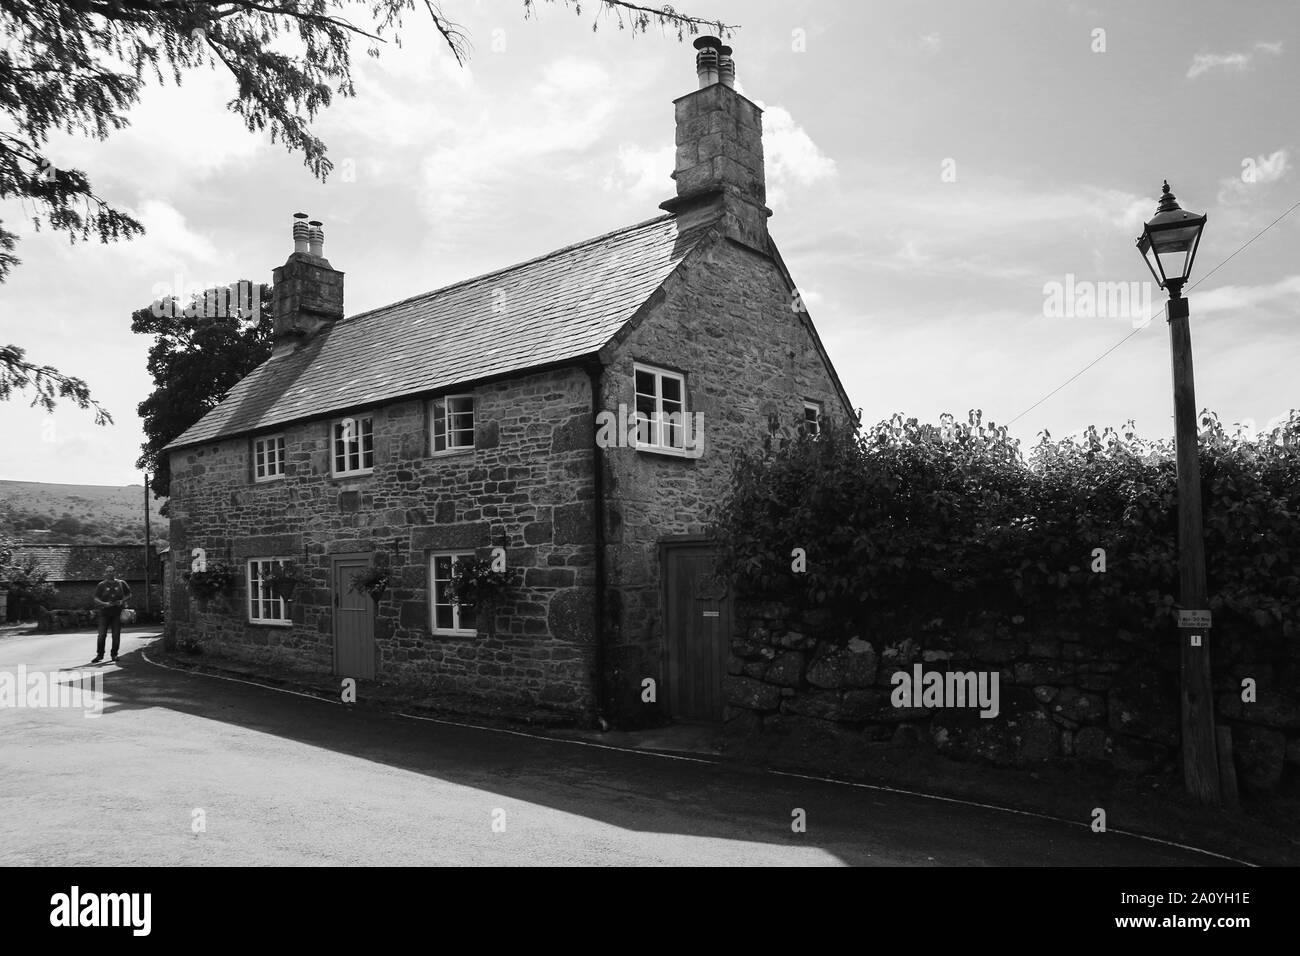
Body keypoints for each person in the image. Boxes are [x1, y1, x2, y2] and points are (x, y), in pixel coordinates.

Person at [91, 566, 132, 663]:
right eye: (108, 571)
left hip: (117, 613)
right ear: (105, 573)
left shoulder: (122, 583)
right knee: (101, 635)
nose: (110, 573)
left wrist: (122, 600)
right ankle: (99, 655)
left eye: (112, 571)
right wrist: (104, 603)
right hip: (104, 613)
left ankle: (114, 655)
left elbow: (129, 594)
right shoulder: (101, 585)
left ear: (115, 572)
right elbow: (95, 598)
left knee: (116, 635)